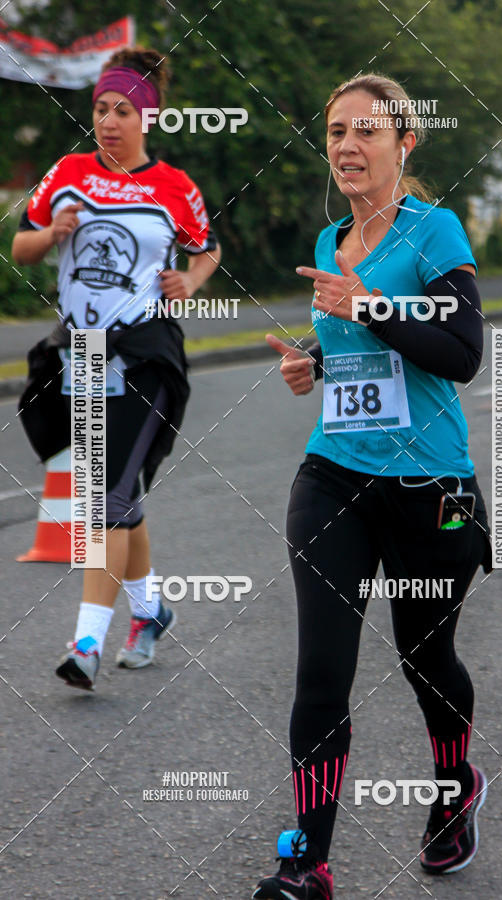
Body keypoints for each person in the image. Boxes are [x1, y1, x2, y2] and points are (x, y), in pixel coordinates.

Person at [254, 73, 493, 899]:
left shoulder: (435, 231)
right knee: (322, 670)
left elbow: (462, 351)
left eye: (366, 132)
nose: (348, 148)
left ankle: (455, 787)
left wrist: (367, 311)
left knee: (427, 660)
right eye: (335, 134)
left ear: (404, 143)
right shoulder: (329, 244)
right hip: (335, 476)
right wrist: (315, 360)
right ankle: (307, 864)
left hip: (432, 487)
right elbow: (358, 341)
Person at [13, 46, 221, 690]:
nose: (108, 121)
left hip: (146, 355)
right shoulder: (68, 173)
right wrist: (53, 234)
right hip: (82, 353)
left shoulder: (174, 188)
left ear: (147, 118)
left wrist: (190, 278)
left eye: (123, 110)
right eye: (101, 108)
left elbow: (208, 248)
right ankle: (152, 609)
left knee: (103, 499)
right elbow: (20, 245)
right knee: (120, 499)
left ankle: (85, 645)